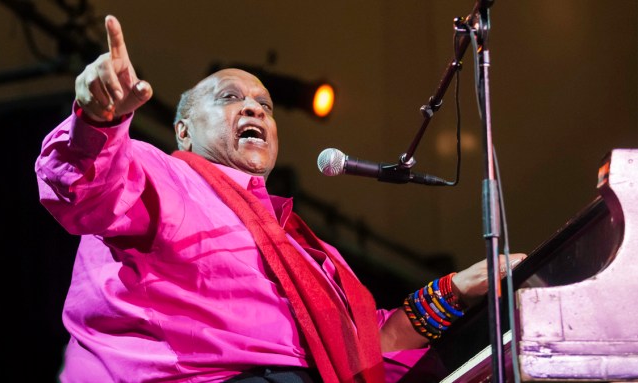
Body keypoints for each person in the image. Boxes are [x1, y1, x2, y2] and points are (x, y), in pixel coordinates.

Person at [35, 15, 526, 383]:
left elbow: (366, 345)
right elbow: (84, 186)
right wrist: (96, 121)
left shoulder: (306, 252)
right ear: (183, 130)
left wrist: (460, 288)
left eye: (264, 105)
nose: (252, 106)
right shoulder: (157, 173)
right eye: (229, 98)